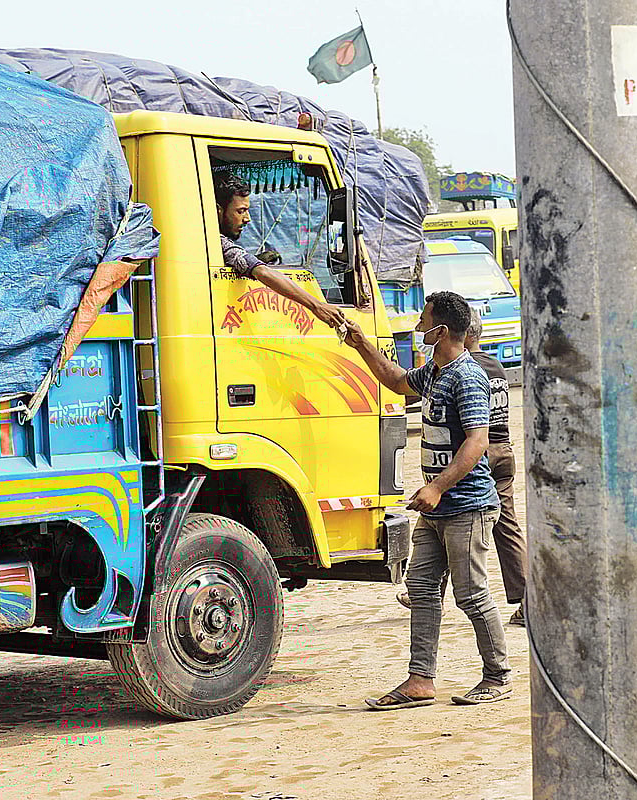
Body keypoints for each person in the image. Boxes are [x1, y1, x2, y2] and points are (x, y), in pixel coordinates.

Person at [342, 291, 511, 710]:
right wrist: (361, 343)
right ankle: (420, 680)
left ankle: (498, 676)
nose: (418, 326)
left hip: (466, 506)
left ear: (442, 330)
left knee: (471, 594)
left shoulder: (466, 378)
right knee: (420, 587)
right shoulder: (435, 372)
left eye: (424, 320)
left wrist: (438, 487)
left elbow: (477, 442)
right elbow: (397, 381)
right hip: (438, 509)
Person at [395, 309, 528, 626]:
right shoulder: (495, 366)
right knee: (506, 528)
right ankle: (529, 600)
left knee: (453, 515)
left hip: (476, 453)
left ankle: (429, 592)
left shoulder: (464, 370)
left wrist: (439, 483)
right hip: (503, 449)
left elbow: (474, 436)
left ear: (461, 334)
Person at [214, 171, 345, 330]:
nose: (247, 218)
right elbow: (261, 272)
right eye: (240, 211)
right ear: (218, 210)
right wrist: (317, 305)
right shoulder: (217, 243)